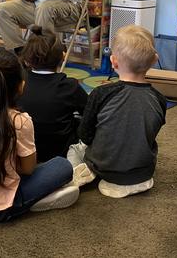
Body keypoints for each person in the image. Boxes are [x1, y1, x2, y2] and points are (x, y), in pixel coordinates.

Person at [0, 49, 79, 222]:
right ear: (21, 86)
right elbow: (28, 169)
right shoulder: (19, 121)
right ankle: (31, 201)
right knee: (62, 166)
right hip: (0, 208)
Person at [68, 25, 167, 198]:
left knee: (75, 149)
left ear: (114, 62)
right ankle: (134, 181)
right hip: (143, 171)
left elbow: (85, 134)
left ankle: (84, 172)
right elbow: (150, 133)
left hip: (103, 166)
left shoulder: (101, 93)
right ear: (154, 60)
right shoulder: (159, 99)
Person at [18, 25, 88, 162]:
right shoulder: (69, 86)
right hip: (59, 155)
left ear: (27, 59)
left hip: (24, 153)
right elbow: (89, 112)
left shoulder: (19, 82)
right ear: (62, 56)